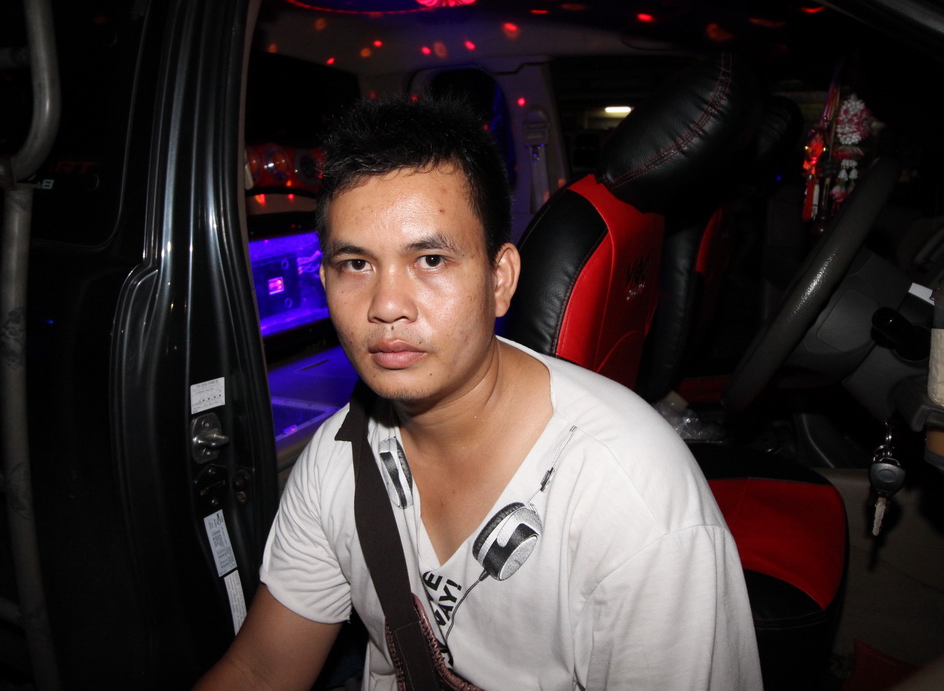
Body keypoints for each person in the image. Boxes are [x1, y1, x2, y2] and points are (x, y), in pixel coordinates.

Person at [196, 96, 762, 689]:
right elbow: (260, 670)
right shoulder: (335, 460)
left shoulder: (631, 500)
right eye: (357, 265)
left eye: (430, 259)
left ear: (500, 279)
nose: (386, 306)